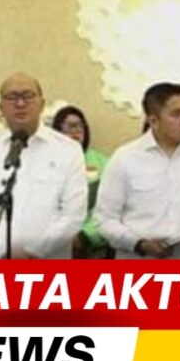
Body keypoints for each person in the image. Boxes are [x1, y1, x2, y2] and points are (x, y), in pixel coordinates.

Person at [94, 82, 180, 259]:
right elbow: (104, 220)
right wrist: (139, 244)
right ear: (153, 121)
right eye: (176, 114)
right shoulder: (124, 158)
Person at [0, 73, 87, 259]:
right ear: (0, 107)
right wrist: (3, 252)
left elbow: (73, 214)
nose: (20, 103)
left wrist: (34, 253)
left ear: (42, 104)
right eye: (12, 97)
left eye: (27, 96)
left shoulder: (68, 150)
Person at [52, 105, 111, 258]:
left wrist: (85, 236)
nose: (76, 130)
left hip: (91, 244)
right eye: (69, 126)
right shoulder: (47, 164)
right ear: (57, 131)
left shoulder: (103, 163)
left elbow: (111, 209)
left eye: (80, 125)